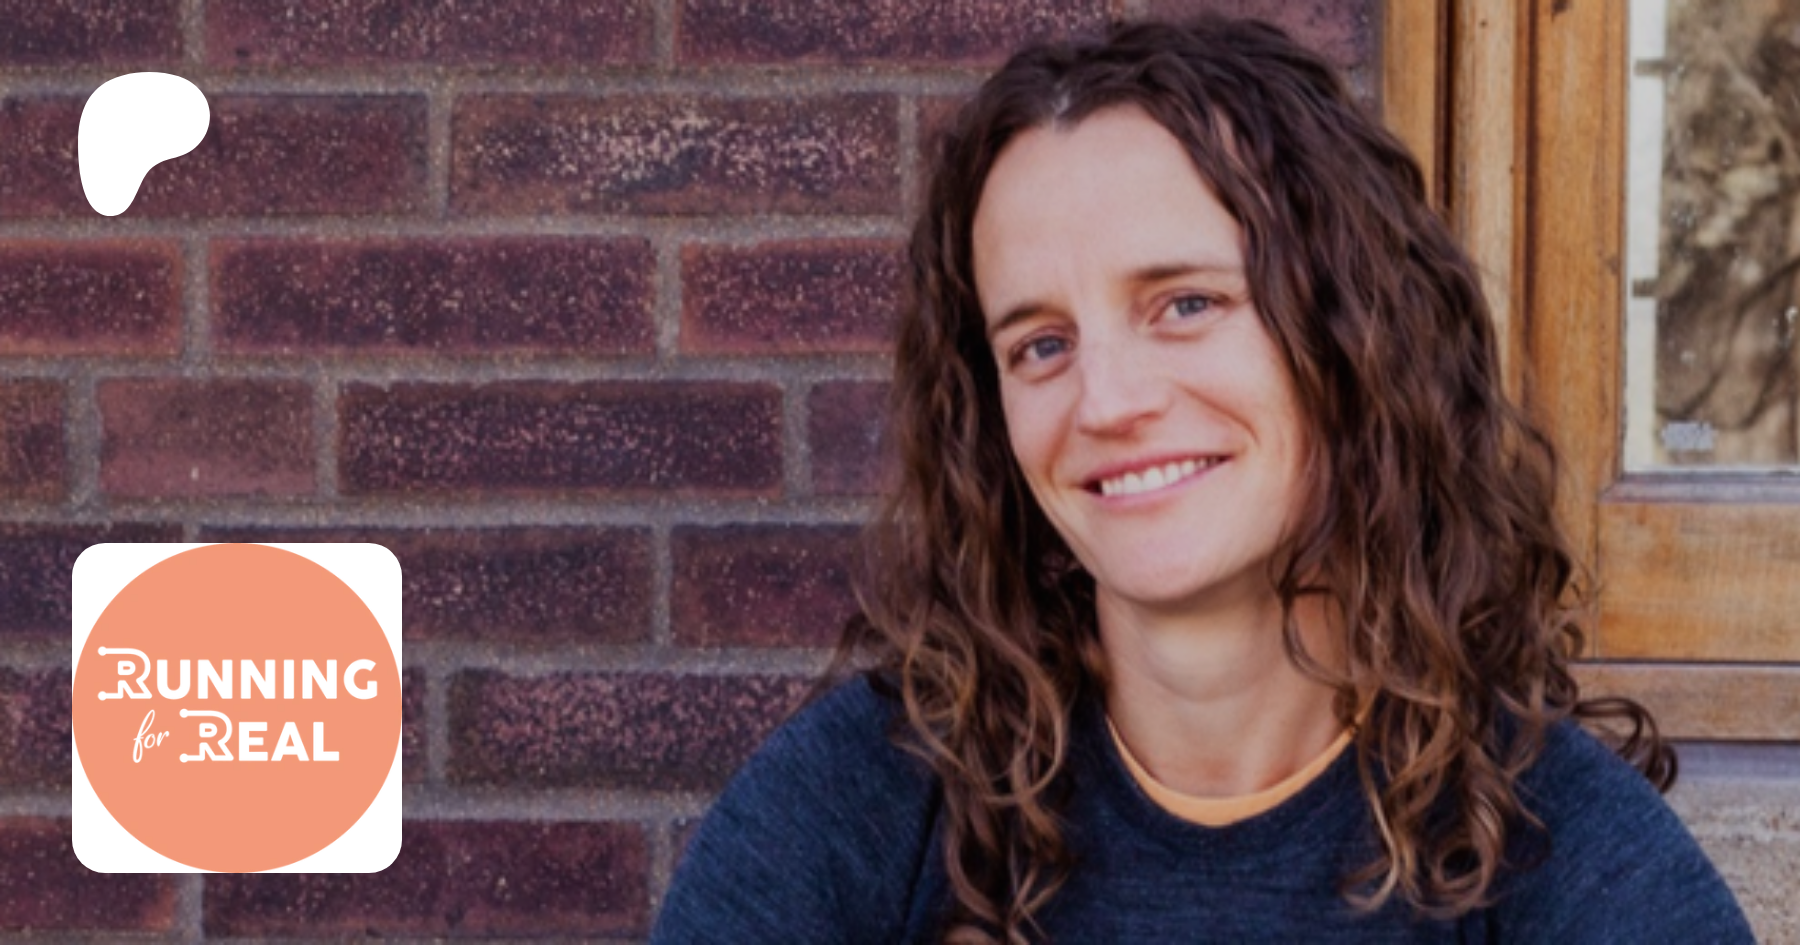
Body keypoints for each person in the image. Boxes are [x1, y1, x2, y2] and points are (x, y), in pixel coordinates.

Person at [651, 16, 1754, 944]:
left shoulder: (1555, 849)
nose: (1106, 400)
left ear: (1353, 336)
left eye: (1186, 304)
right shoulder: (871, 799)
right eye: (1040, 344)